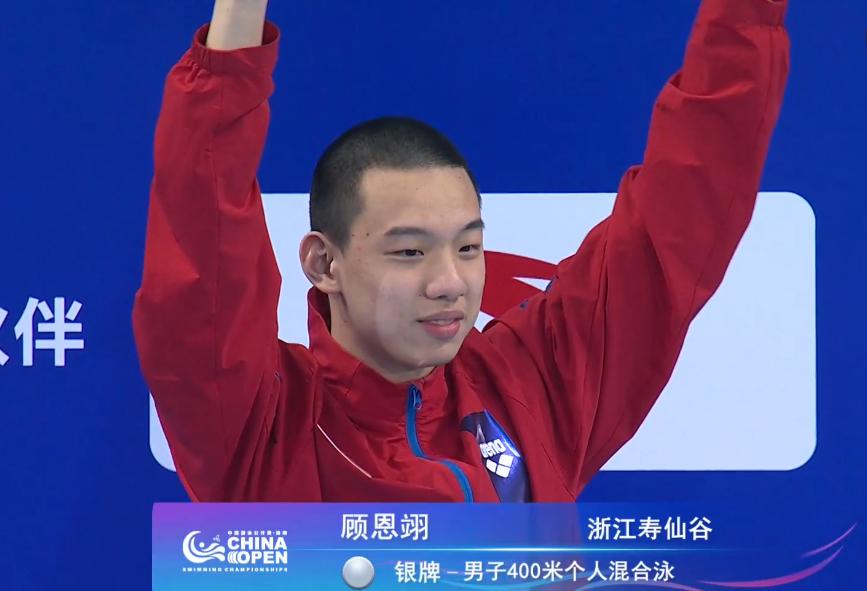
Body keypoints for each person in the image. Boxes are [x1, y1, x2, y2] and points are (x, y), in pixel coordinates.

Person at [133, 0, 790, 502]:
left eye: (468, 246)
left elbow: (683, 205)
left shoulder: (533, 387)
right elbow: (200, 250)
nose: (450, 282)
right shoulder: (260, 425)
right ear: (324, 263)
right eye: (409, 252)